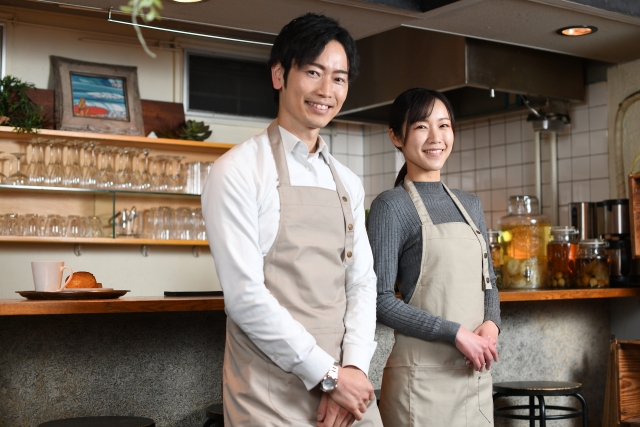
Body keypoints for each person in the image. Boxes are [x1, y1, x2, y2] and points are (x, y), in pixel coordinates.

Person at [202, 13, 383, 427]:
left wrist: (354, 369)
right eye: (313, 72)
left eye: (339, 78)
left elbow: (361, 281)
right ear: (279, 75)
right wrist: (327, 375)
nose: (326, 90)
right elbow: (245, 298)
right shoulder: (237, 171)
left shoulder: (348, 181)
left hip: (346, 391)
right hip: (270, 393)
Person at [367, 88, 501, 427]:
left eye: (443, 125)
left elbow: (489, 282)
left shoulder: (470, 205)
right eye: (421, 127)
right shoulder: (391, 206)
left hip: (472, 378)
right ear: (396, 136)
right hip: (420, 385)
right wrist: (456, 334)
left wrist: (491, 324)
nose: (436, 137)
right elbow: (379, 301)